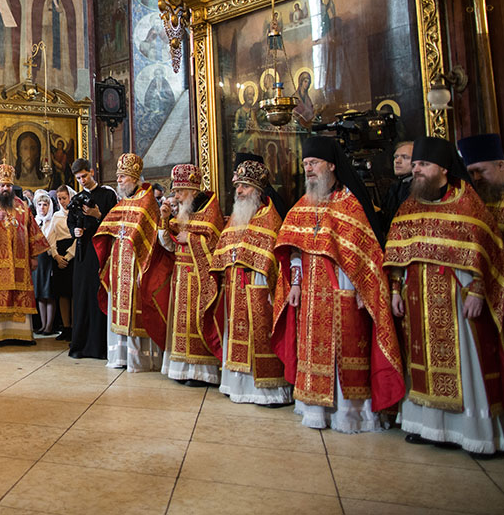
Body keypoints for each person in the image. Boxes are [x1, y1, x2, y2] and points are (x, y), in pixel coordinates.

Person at [274, 136, 403, 432]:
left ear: (332, 165)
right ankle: (315, 409)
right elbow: (295, 251)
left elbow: (366, 255)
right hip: (310, 293)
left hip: (344, 289)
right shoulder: (304, 204)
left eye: (314, 163)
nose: (308, 169)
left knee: (345, 353)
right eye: (305, 163)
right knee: (313, 351)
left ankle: (351, 414)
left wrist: (362, 287)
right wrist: (295, 284)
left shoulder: (350, 203)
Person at [386, 137, 504, 455]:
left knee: (466, 367)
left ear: (443, 168)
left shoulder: (468, 205)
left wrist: (479, 291)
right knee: (419, 366)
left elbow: (487, 253)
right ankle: (428, 426)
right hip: (416, 300)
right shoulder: (410, 205)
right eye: (415, 165)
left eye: (423, 165)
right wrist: (395, 289)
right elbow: (397, 253)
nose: (417, 170)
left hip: (457, 303)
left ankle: (471, 431)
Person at [212, 160, 291, 405]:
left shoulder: (269, 216)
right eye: (238, 186)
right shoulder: (237, 217)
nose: (239, 191)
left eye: (245, 187)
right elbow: (224, 248)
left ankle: (266, 392)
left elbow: (272, 258)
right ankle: (236, 385)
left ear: (257, 190)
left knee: (259, 335)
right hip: (235, 285)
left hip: (258, 286)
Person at [93, 153, 165, 371]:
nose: (119, 180)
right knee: (119, 310)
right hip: (118, 264)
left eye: (123, 176)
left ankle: (138, 359)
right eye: (118, 176)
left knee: (136, 310)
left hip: (136, 266)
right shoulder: (123, 203)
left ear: (134, 178)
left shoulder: (148, 201)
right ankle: (120, 356)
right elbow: (108, 228)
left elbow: (151, 236)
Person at [157, 164, 223, 386]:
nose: (176, 196)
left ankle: (201, 372)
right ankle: (182, 369)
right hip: (181, 276)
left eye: (180, 191)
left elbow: (215, 245)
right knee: (182, 323)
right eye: (175, 191)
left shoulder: (210, 212)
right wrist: (164, 220)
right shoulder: (183, 213)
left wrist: (192, 240)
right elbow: (168, 245)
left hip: (199, 277)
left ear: (194, 191)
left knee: (198, 320)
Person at [0, 164, 50, 345]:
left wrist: (34, 256)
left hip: (19, 261)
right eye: (2, 185)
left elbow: (33, 231)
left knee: (19, 296)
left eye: (8, 185)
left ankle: (20, 335)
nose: (6, 188)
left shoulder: (22, 206)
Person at [67, 158, 118, 359]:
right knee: (81, 296)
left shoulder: (107, 195)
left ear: (92, 172)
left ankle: (99, 346)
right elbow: (70, 221)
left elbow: (115, 223)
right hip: (82, 252)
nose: (82, 181)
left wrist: (98, 215)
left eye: (84, 176)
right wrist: (75, 230)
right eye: (78, 178)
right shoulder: (78, 198)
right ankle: (80, 345)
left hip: (100, 253)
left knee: (98, 295)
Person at [32, 189, 69, 335]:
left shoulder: (52, 220)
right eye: (39, 204)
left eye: (45, 205)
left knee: (49, 293)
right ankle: (42, 324)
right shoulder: (35, 221)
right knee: (40, 293)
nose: (42, 208)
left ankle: (49, 325)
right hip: (37, 260)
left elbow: (51, 241)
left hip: (48, 259)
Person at [459, 133, 504, 231]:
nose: (476, 177)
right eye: (471, 173)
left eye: (481, 171)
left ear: (500, 166)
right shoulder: (473, 202)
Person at [52, 184, 77, 340]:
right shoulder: (56, 216)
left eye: (64, 198)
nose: (62, 201)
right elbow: (51, 237)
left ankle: (75, 326)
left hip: (73, 254)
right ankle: (66, 326)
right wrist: (56, 256)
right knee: (62, 293)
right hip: (59, 255)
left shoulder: (76, 214)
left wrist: (68, 256)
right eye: (59, 199)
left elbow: (79, 237)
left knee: (73, 292)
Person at [381, 140, 414, 235]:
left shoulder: (422, 188)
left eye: (405, 157)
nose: (397, 161)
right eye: (396, 157)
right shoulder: (395, 187)